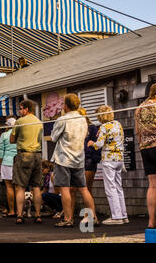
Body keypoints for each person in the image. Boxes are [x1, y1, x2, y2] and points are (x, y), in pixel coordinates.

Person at [51, 94, 98, 227]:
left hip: (63, 158)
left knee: (64, 189)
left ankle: (68, 218)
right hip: (78, 158)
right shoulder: (83, 119)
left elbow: (54, 137)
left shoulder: (62, 119)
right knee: (83, 189)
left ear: (66, 105)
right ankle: (93, 216)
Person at [88, 105, 128, 225]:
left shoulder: (104, 127)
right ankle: (124, 215)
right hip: (119, 159)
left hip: (109, 159)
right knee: (118, 187)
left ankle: (116, 217)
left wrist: (91, 143)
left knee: (110, 188)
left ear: (101, 116)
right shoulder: (118, 124)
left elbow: (99, 144)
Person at [134, 81, 156, 229]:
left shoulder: (138, 109)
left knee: (153, 186)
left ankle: (151, 222)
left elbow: (138, 131)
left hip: (146, 149)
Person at [9, 100, 43, 224]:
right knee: (36, 186)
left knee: (20, 187)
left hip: (23, 154)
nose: (19, 111)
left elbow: (12, 140)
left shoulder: (19, 122)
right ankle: (38, 215)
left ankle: (19, 215)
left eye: (21, 108)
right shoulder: (39, 122)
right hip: (37, 155)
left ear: (27, 109)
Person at [0, 117, 17, 218]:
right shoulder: (19, 134)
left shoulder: (4, 135)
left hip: (6, 162)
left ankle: (12, 210)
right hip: (17, 162)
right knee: (18, 187)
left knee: (9, 186)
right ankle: (20, 211)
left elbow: (1, 151)